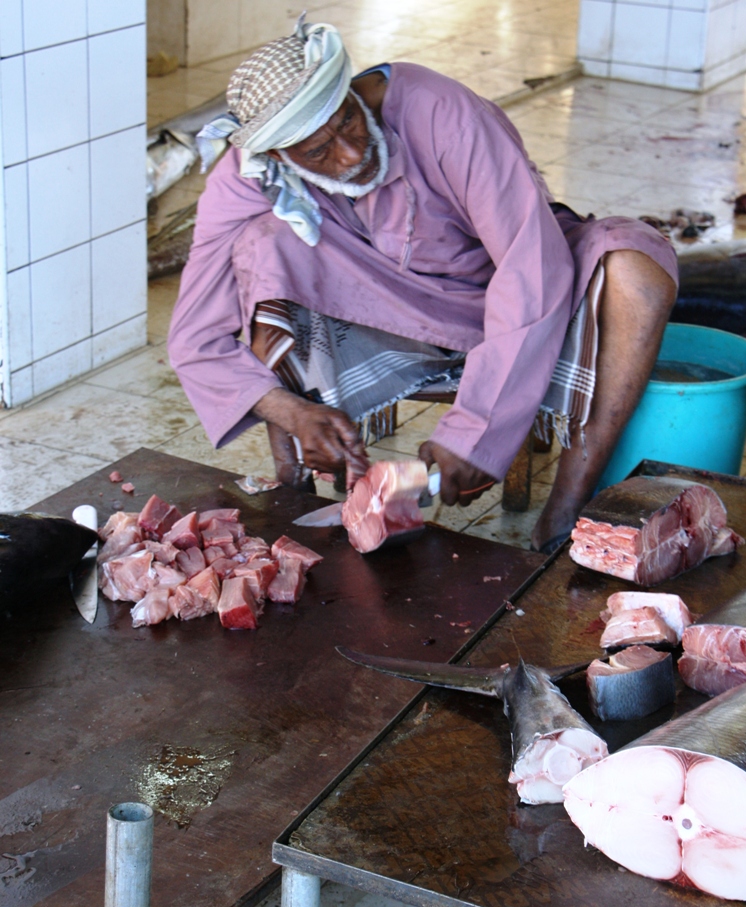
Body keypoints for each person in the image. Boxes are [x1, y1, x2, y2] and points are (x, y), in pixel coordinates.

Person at [168, 15, 678, 553]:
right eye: (317, 153)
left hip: (516, 285)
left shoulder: (440, 111)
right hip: (392, 308)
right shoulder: (248, 175)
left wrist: (474, 432)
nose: (348, 153)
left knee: (637, 271)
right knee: (262, 243)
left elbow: (533, 266)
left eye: (348, 121)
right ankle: (297, 497)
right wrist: (291, 410)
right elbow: (193, 336)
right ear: (276, 157)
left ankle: (563, 517)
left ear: (350, 92)